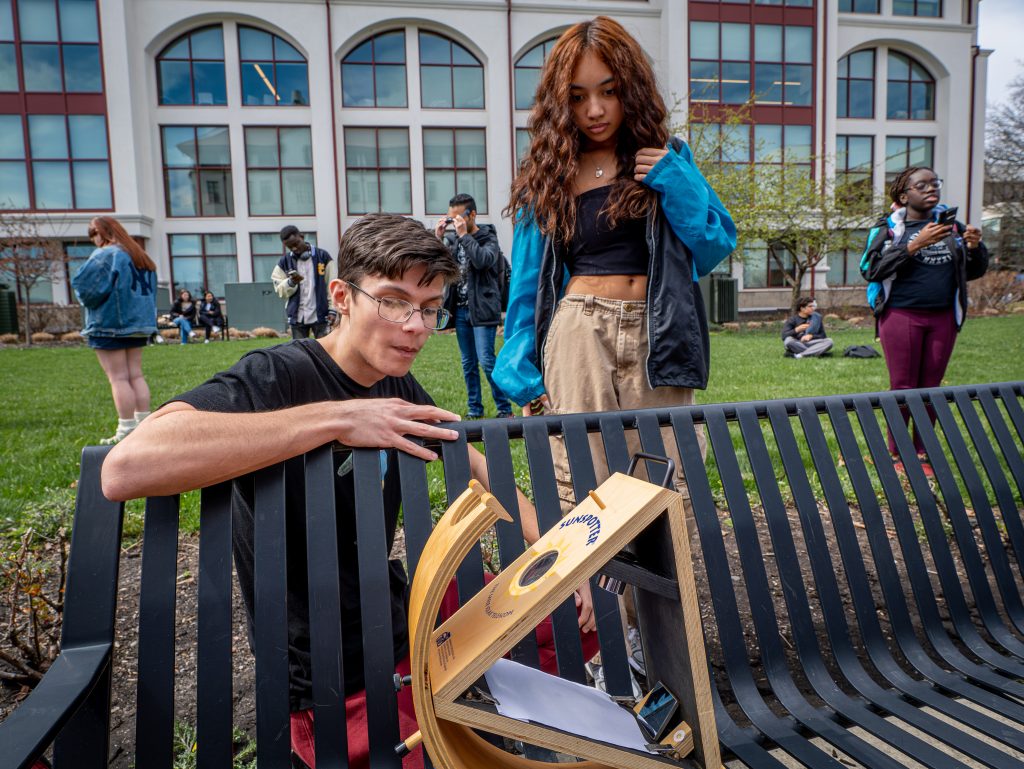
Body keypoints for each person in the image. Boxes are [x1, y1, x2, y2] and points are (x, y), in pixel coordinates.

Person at [102, 214, 597, 769]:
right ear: (341, 295)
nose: (415, 326)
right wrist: (338, 419)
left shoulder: (392, 378)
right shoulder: (278, 374)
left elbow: (472, 462)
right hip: (332, 670)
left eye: (430, 309)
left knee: (572, 617)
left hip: (402, 614)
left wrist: (556, 559)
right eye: (392, 301)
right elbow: (127, 467)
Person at [494, 16, 735, 515]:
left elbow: (713, 245)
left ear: (632, 88)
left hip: (659, 327)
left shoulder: (668, 158)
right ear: (562, 103)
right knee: (583, 482)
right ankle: (593, 596)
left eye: (608, 91)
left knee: (664, 477)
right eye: (578, 97)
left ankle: (658, 597)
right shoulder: (550, 174)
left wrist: (675, 181)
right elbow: (526, 281)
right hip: (579, 330)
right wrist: (522, 372)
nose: (595, 110)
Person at [860, 166, 988, 473]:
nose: (931, 189)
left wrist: (974, 247)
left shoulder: (952, 228)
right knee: (903, 387)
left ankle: (921, 452)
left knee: (931, 386)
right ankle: (895, 453)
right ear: (905, 196)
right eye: (922, 185)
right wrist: (913, 245)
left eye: (935, 183)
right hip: (902, 315)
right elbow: (871, 270)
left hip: (943, 317)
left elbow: (972, 271)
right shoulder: (889, 228)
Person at [71, 216, 157, 445]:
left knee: (118, 377)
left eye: (93, 234)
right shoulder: (140, 256)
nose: (93, 240)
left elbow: (85, 288)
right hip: (139, 324)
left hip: (111, 324)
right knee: (135, 374)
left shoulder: (107, 255)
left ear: (103, 232)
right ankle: (143, 423)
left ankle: (126, 427)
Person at [435, 193, 514, 419]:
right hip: (460, 310)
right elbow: (440, 268)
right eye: (452, 219)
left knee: (487, 361)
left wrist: (463, 236)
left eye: (459, 217)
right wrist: (439, 239)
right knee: (468, 363)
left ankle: (505, 409)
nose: (456, 223)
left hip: (482, 309)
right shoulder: (453, 241)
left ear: (472, 215)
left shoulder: (488, 238)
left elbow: (482, 261)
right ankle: (474, 409)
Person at [271, 225, 337, 339]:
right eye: (290, 247)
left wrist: (333, 310)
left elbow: (333, 285)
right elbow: (278, 289)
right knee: (299, 354)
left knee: (324, 352)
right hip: (297, 318)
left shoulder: (323, 257)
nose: (294, 249)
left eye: (296, 244)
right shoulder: (284, 262)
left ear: (302, 236)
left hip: (322, 315)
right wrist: (290, 283)